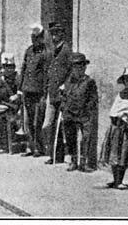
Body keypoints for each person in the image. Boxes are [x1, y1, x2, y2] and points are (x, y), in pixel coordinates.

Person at [61, 52, 98, 172]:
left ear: (85, 67)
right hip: (70, 114)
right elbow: (64, 96)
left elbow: (94, 98)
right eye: (76, 66)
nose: (79, 69)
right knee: (70, 137)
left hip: (83, 115)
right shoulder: (68, 82)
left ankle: (83, 162)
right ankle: (73, 161)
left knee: (85, 138)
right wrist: (63, 106)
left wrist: (87, 108)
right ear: (72, 68)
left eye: (82, 66)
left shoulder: (89, 82)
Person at [42, 22, 72, 165]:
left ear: (62, 34)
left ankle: (58, 155)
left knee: (60, 125)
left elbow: (70, 71)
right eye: (52, 34)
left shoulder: (66, 51)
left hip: (61, 94)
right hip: (52, 93)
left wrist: (64, 85)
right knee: (49, 125)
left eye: (57, 33)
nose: (54, 37)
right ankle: (54, 154)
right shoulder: (52, 51)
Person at [19, 24, 49, 157]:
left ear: (42, 38)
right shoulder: (29, 51)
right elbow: (24, 69)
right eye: (32, 37)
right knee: (28, 121)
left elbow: (46, 74)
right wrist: (20, 88)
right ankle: (31, 147)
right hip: (27, 90)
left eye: (36, 37)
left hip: (38, 92)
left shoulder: (45, 53)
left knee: (38, 121)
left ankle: (39, 147)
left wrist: (44, 93)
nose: (34, 40)